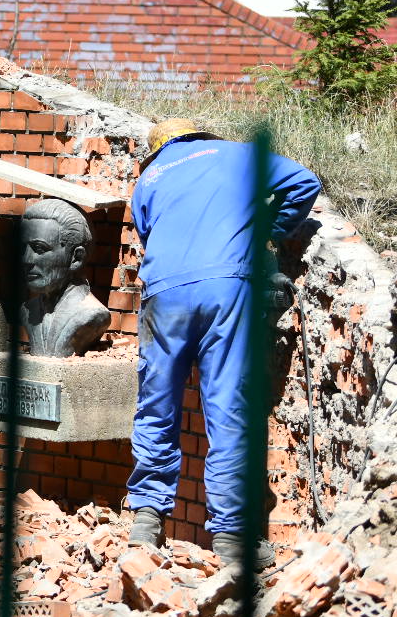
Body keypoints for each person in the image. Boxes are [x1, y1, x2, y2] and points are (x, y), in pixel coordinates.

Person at [126, 118, 321, 571]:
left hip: (164, 294)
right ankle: (232, 539)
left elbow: (149, 235)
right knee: (227, 407)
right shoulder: (236, 154)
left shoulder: (148, 179)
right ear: (203, 138)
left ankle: (146, 522)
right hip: (225, 288)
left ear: (157, 151)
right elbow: (304, 184)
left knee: (156, 405)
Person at [18, 198, 111, 356]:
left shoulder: (92, 314)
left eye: (39, 249)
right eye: (23, 248)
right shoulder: (27, 310)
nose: (26, 259)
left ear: (76, 258)